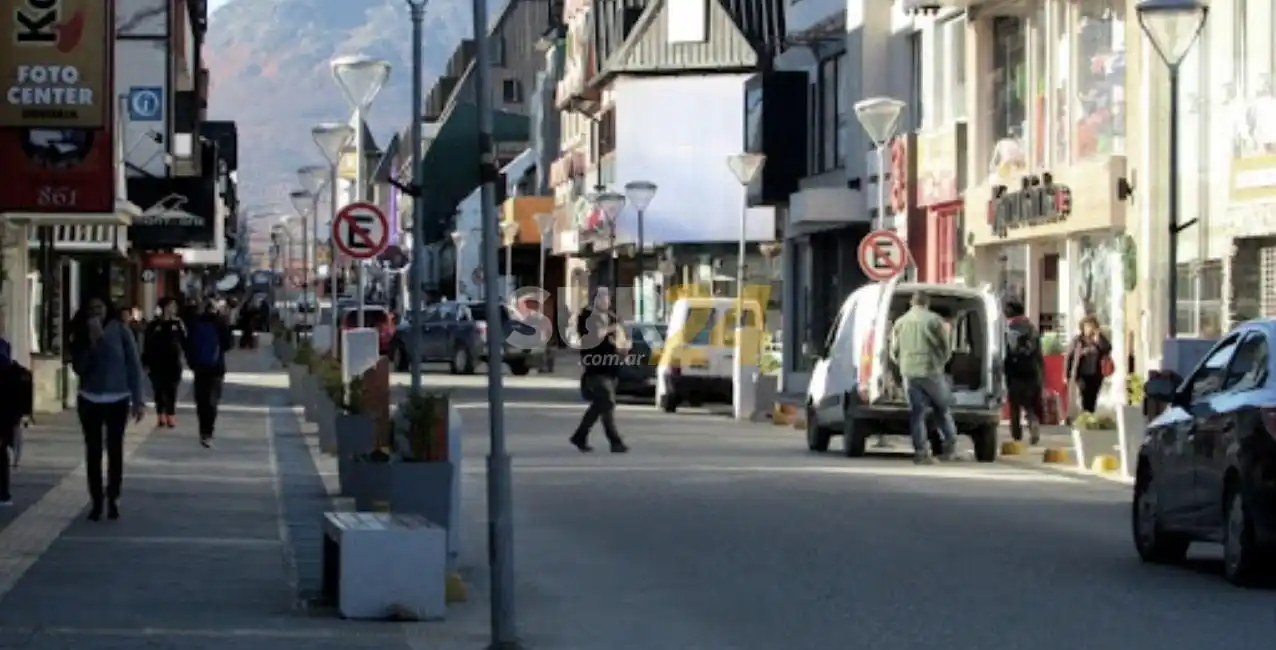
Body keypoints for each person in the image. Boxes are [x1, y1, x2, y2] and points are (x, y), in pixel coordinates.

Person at [69, 296, 146, 521]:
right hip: (89, 398)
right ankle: (96, 501)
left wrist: (138, 400)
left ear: (107, 309)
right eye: (92, 309)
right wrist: (93, 343)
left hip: (117, 397)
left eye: (100, 308)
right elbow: (80, 368)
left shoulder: (121, 330)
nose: (96, 313)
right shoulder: (81, 333)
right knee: (93, 452)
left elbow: (133, 365)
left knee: (115, 450)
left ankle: (113, 498)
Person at [889, 291, 958, 464]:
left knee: (917, 413)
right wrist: (940, 363)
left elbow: (893, 351)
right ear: (927, 304)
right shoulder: (935, 320)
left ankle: (921, 452)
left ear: (912, 303)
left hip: (909, 373)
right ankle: (950, 448)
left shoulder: (900, 322)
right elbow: (946, 347)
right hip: (930, 370)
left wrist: (903, 364)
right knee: (942, 408)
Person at [569, 287, 629, 453]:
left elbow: (621, 339)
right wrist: (612, 329)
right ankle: (615, 442)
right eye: (601, 298)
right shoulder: (587, 316)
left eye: (607, 298)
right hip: (595, 369)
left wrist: (624, 349)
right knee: (607, 403)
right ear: (594, 300)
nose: (605, 301)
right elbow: (594, 336)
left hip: (611, 369)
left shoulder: (612, 317)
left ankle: (580, 436)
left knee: (602, 406)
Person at [185, 300, 232, 447]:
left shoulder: (194, 323)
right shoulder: (220, 322)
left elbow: (188, 346)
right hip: (216, 368)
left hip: (199, 368)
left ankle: (203, 431)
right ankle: (208, 433)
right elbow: (228, 344)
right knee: (212, 401)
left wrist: (192, 363)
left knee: (201, 401)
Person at [1003, 300, 1044, 445]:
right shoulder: (1032, 329)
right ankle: (1033, 421)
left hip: (1015, 373)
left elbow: (1005, 353)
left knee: (1014, 405)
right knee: (1029, 404)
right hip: (1032, 372)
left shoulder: (1008, 330)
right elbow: (1039, 353)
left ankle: (1016, 435)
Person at [143, 297, 187, 428]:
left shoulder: (178, 323)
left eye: (174, 306)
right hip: (156, 362)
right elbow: (147, 343)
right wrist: (145, 361)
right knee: (158, 389)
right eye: (170, 306)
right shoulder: (154, 325)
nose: (173, 308)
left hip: (173, 362)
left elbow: (185, 341)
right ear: (163, 307)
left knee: (172, 389)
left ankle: (171, 414)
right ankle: (160, 414)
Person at [0, 337, 34, 507]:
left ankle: (3, 494)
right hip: (9, 415)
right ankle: (3, 494)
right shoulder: (17, 372)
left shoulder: (14, 371)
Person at [1066, 315, 1112, 414]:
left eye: (1092, 326)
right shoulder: (1078, 340)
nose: (1089, 328)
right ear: (1083, 327)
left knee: (1093, 398)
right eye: (1087, 326)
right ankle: (1085, 417)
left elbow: (1107, 348)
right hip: (1082, 374)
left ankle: (1089, 417)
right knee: (1084, 397)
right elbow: (1069, 356)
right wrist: (1067, 374)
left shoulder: (1098, 339)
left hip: (1096, 375)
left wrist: (1098, 337)